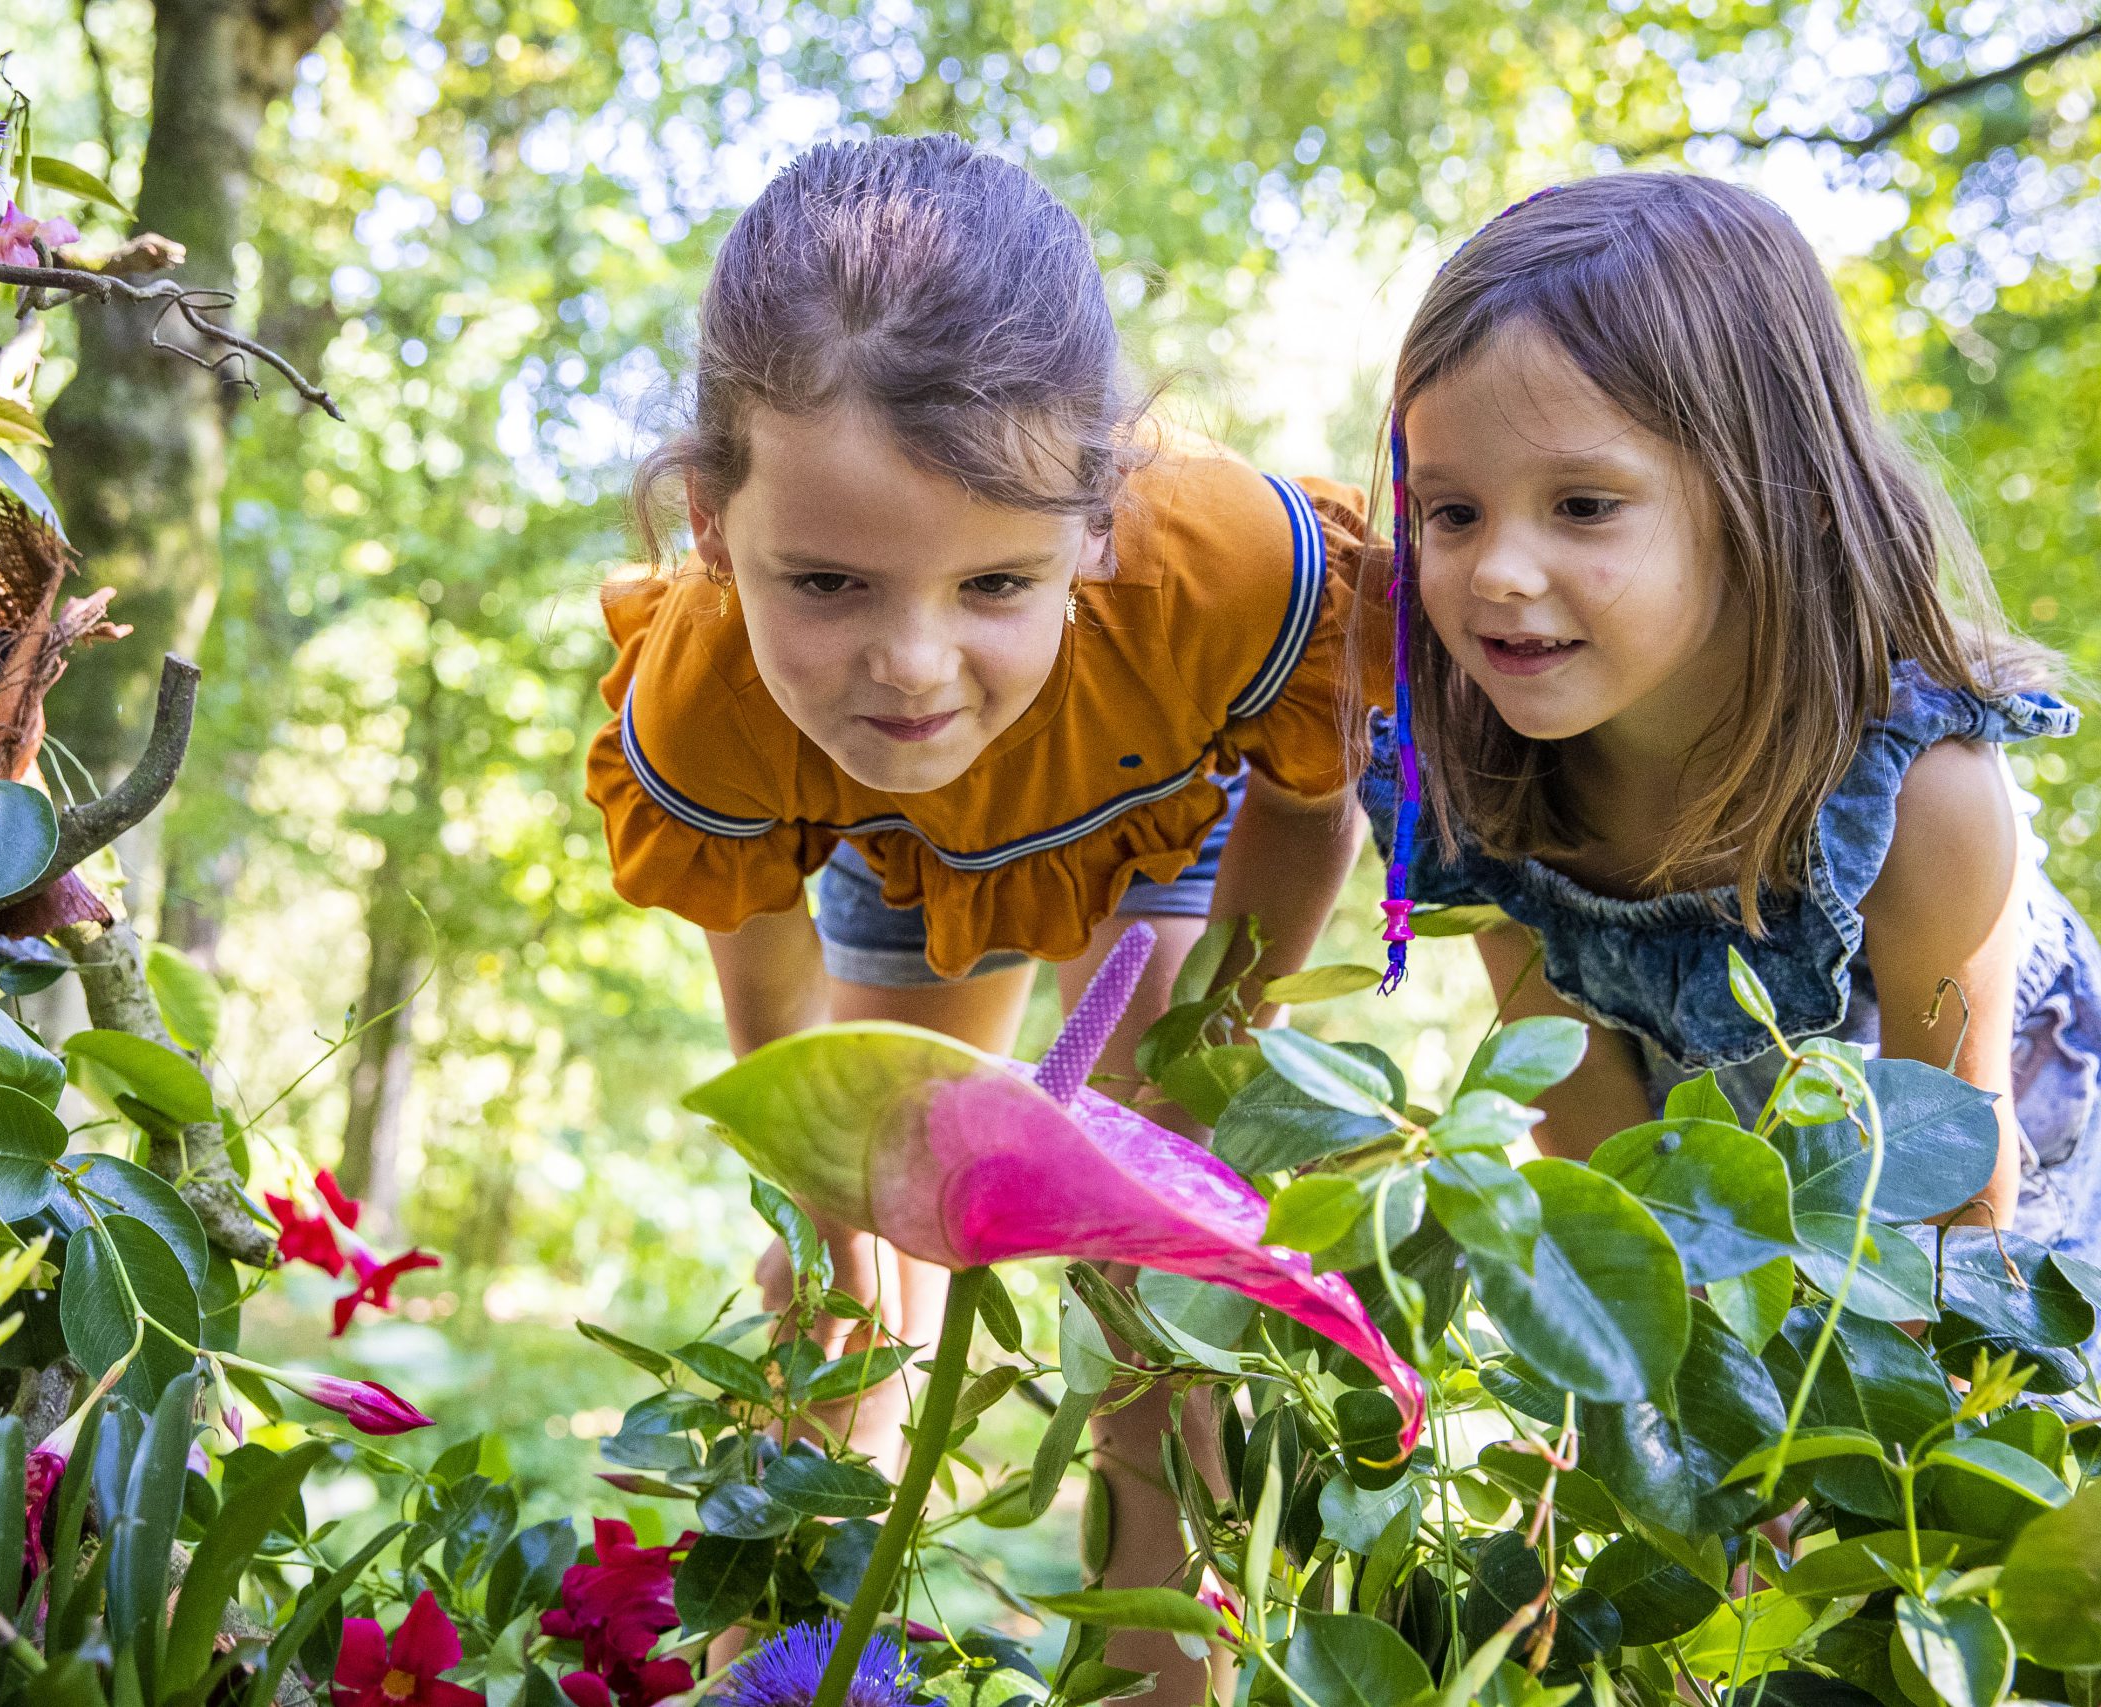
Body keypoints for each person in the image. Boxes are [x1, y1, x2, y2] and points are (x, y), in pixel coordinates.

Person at [584, 134, 1384, 1702]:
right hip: (888, 846)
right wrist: (818, 1191)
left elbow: (1314, 784)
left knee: (1159, 1277)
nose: (916, 665)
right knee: (858, 1265)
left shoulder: (1232, 570)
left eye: (995, 584)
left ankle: (1165, 1676)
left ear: (1097, 517)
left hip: (1159, 815)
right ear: (707, 521)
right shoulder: (706, 707)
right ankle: (784, 1668)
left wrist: (1222, 1041)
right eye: (825, 584)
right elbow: (763, 961)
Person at [1361, 172, 2099, 1262]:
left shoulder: (1917, 789)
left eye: (1583, 506)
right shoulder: (1476, 776)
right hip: (1720, 1226)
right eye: (1452, 513)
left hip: (2007, 1229)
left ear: (1767, 492)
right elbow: (1592, 1144)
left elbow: (1958, 1193)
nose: (1499, 573)